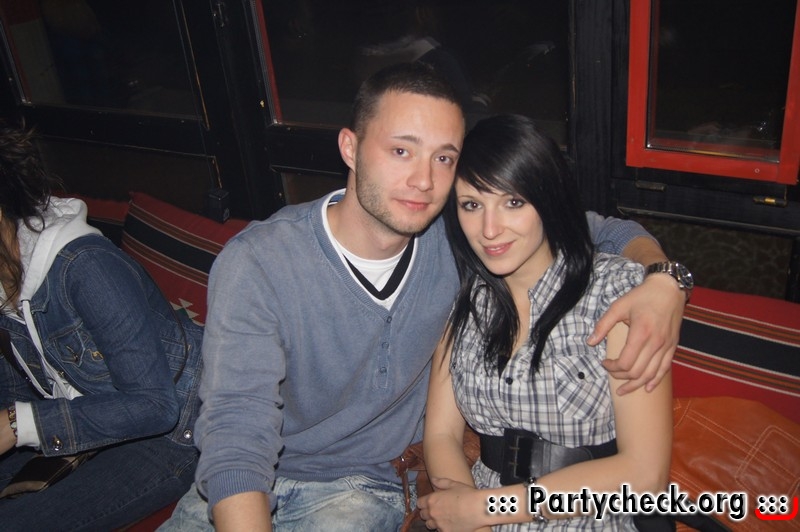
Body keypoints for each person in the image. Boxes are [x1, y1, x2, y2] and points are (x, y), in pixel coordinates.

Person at [161, 62, 684, 532]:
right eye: (401, 151)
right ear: (350, 148)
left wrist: (664, 280)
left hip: (363, 489)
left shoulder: (462, 241)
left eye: (443, 158)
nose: (423, 181)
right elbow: (236, 427)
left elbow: (591, 228)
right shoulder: (260, 261)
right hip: (254, 480)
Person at [416, 114, 673, 531]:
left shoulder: (616, 294)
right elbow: (442, 435)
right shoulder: (467, 304)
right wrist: (462, 509)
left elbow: (645, 474)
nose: (489, 229)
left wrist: (486, 509)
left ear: (548, 198)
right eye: (472, 205)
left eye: (513, 202)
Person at [0, 123, 204, 530]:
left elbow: (155, 407)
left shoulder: (85, 266)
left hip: (179, 433)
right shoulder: (5, 279)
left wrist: (18, 425)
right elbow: (17, 391)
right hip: (91, 421)